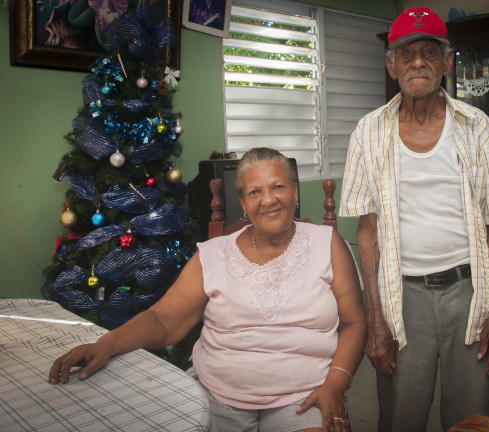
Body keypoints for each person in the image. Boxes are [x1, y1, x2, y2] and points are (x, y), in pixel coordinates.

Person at [49, 147, 367, 432]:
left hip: (306, 395)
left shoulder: (328, 244)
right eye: (255, 191)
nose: (268, 199)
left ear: (295, 193)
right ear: (243, 203)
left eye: (278, 187)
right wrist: (106, 345)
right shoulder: (214, 255)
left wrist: (335, 384)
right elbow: (164, 320)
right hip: (217, 396)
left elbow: (354, 323)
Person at [339, 6, 489, 431]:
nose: (418, 63)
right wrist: (375, 318)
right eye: (406, 54)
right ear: (391, 65)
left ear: (448, 61)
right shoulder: (368, 132)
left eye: (429, 52)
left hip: (470, 292)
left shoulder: (480, 129)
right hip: (402, 295)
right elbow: (366, 232)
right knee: (400, 417)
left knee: (473, 419)